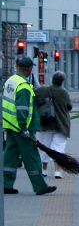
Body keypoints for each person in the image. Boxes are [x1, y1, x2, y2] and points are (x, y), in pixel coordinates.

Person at [3, 57, 56, 195]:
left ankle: (5, 184)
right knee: (32, 157)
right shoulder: (24, 86)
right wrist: (24, 128)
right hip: (21, 129)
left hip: (10, 125)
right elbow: (22, 108)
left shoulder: (11, 81)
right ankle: (40, 187)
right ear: (30, 69)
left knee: (10, 156)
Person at [34, 71, 74, 179]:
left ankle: (44, 170)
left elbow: (33, 95)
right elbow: (69, 106)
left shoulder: (42, 90)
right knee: (58, 148)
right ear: (62, 81)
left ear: (52, 79)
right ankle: (57, 171)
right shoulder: (63, 92)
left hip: (45, 123)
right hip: (61, 124)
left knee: (44, 146)